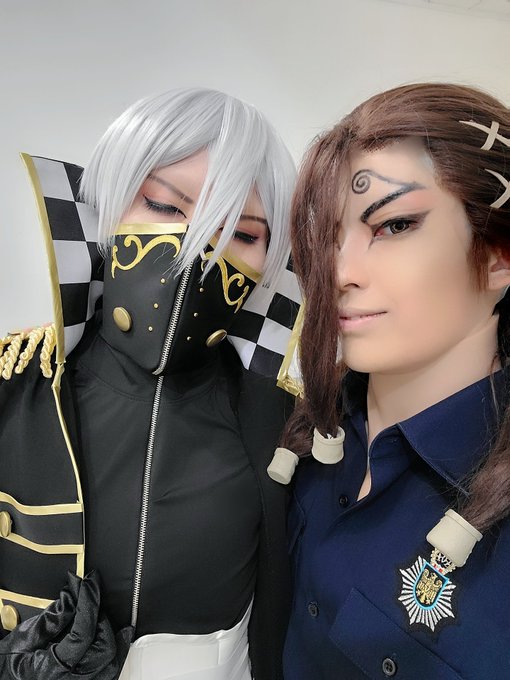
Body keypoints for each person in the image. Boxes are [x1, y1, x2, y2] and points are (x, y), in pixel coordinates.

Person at [0, 87, 300, 679]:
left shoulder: (289, 421)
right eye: (165, 206)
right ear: (106, 209)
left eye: (242, 234)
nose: (196, 253)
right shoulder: (18, 385)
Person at [278, 83, 510, 679]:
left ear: (499, 253)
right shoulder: (302, 434)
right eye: (329, 236)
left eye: (395, 224)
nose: (338, 272)